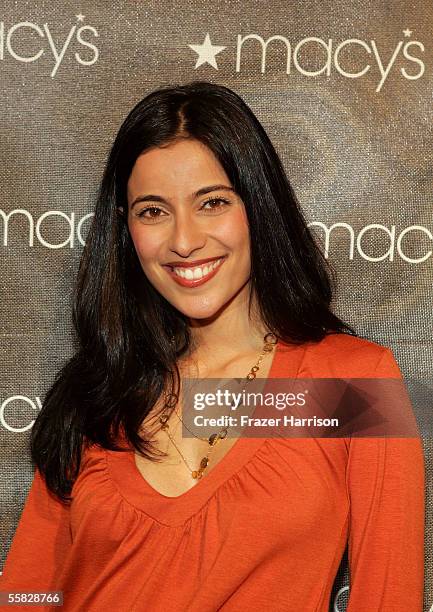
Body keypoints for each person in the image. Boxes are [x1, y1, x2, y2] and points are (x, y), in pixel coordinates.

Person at [0, 81, 425, 611]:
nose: (184, 240)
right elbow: (27, 590)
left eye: (213, 202)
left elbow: (391, 595)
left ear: (258, 207)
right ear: (125, 229)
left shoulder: (346, 384)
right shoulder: (97, 392)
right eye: (153, 210)